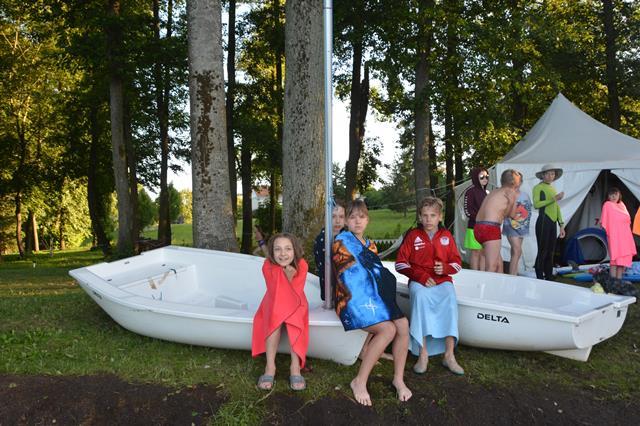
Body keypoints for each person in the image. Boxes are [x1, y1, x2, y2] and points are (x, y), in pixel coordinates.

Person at [332, 199, 412, 406]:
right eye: (352, 217)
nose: (357, 221)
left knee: (403, 325)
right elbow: (351, 278)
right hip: (351, 299)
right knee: (388, 329)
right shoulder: (341, 242)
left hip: (374, 297)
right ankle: (359, 381)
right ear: (346, 221)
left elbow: (378, 276)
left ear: (367, 220)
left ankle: (398, 379)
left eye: (362, 217)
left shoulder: (371, 246)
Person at [395, 197, 464, 376]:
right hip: (419, 281)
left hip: (442, 281)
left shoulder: (446, 236)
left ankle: (449, 355)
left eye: (433, 215)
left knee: (450, 297)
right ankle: (423, 354)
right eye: (424, 215)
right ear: (419, 217)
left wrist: (446, 268)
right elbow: (400, 264)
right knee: (420, 296)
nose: (428, 219)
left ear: (440, 217)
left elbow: (457, 264)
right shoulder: (412, 236)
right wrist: (420, 276)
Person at [252, 233, 309, 391]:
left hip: (296, 301)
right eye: (278, 249)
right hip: (273, 301)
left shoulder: (302, 265)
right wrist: (286, 277)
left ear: (295, 250)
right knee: (275, 319)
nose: (283, 254)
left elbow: (294, 294)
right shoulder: (267, 266)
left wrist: (290, 278)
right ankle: (270, 366)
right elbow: (275, 293)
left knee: (294, 319)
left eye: (288, 249)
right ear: (272, 251)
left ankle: (295, 367)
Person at [474, 169, 522, 272]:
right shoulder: (511, 192)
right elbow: (511, 215)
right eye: (519, 179)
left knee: (497, 263)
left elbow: (503, 213)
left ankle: (490, 280)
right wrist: (512, 202)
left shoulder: (494, 191)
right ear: (514, 182)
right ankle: (487, 283)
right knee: (492, 266)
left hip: (478, 227)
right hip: (490, 228)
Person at [532, 164, 565, 281]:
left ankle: (549, 275)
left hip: (552, 222)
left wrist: (561, 225)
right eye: (549, 174)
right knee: (543, 250)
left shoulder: (552, 188)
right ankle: (539, 276)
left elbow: (556, 207)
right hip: (543, 221)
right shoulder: (538, 188)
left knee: (551, 251)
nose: (551, 176)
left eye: (553, 174)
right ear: (543, 175)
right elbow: (536, 204)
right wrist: (554, 198)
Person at [313, 199, 346, 301]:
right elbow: (322, 267)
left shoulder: (348, 238)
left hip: (347, 288)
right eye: (333, 216)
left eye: (341, 217)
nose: (337, 221)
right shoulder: (321, 240)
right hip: (330, 291)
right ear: (326, 218)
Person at [600, 187, 637, 279]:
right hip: (614, 236)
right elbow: (603, 221)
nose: (613, 196)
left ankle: (619, 281)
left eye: (615, 194)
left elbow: (628, 220)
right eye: (611, 194)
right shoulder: (607, 205)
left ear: (619, 195)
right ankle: (612, 281)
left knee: (621, 260)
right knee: (614, 259)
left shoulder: (622, 205)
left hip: (625, 236)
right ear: (608, 196)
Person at [503, 172, 532, 275]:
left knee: (515, 252)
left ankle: (513, 273)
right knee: (517, 250)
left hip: (522, 228)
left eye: (519, 180)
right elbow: (504, 210)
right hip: (511, 226)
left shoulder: (525, 195)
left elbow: (528, 209)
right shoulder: (507, 194)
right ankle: (512, 276)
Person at [464, 167, 490, 270]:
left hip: (486, 227)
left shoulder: (487, 192)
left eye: (487, 176)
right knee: (476, 252)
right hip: (474, 227)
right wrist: (480, 218)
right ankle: (474, 275)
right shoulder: (470, 192)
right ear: (475, 177)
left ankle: (482, 275)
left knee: (484, 252)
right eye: (482, 177)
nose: (485, 179)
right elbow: (467, 210)